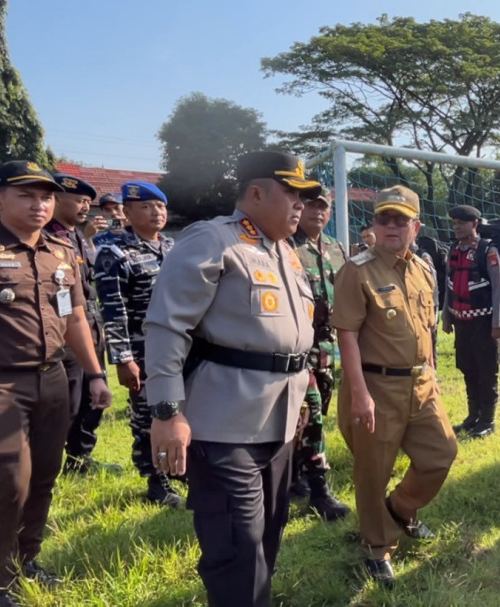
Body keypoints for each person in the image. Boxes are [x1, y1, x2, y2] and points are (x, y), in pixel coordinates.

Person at [144, 151, 319, 607]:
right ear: (256, 193)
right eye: (291, 193)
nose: (300, 204)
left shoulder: (287, 253)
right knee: (237, 544)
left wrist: (301, 400)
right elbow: (167, 326)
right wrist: (167, 412)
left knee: (267, 536)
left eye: (305, 195)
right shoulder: (213, 240)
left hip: (279, 424)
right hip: (223, 423)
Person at [0, 161, 112, 607]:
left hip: (54, 378)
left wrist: (95, 374)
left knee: (44, 476)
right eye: (27, 196)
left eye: (46, 197)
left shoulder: (61, 252)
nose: (40, 205)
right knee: (8, 481)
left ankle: (25, 559)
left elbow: (74, 317)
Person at [331, 185, 458, 586]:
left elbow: (428, 329)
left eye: (401, 219)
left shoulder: (423, 269)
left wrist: (433, 374)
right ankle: (377, 546)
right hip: (376, 386)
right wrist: (360, 395)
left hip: (421, 384)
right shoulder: (357, 270)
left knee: (442, 452)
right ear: (374, 223)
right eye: (384, 218)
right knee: (373, 470)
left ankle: (400, 509)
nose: (391, 226)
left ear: (415, 226)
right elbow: (346, 335)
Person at [94, 181, 178, 506]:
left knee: (179, 409)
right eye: (146, 206)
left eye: (160, 206)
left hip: (178, 347)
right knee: (147, 416)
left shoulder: (172, 248)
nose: (156, 212)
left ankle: (177, 467)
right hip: (142, 350)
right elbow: (112, 310)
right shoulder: (114, 254)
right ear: (127, 212)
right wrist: (122, 358)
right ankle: (156, 480)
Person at [44, 173, 122, 475]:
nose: (84, 207)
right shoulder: (48, 236)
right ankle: (49, 463)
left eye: (88, 202)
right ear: (57, 199)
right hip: (65, 330)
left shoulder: (76, 235)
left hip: (89, 323)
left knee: (92, 397)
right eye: (78, 200)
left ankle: (79, 458)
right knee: (67, 403)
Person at [288, 190, 351, 520]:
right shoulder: (285, 246)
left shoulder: (336, 248)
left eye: (322, 205)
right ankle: (319, 490)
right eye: (309, 204)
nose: (316, 210)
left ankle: (295, 476)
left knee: (317, 412)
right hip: (297, 346)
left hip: (327, 347)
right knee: (310, 416)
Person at [442, 204, 500, 438]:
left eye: (462, 223)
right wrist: (447, 316)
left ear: (475, 224)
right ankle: (473, 415)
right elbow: (449, 285)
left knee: (487, 370)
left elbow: (499, 287)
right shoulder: (454, 250)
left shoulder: (487, 251)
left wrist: (497, 322)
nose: (457, 227)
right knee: (468, 368)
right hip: (461, 324)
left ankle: (488, 420)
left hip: (484, 323)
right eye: (455, 223)